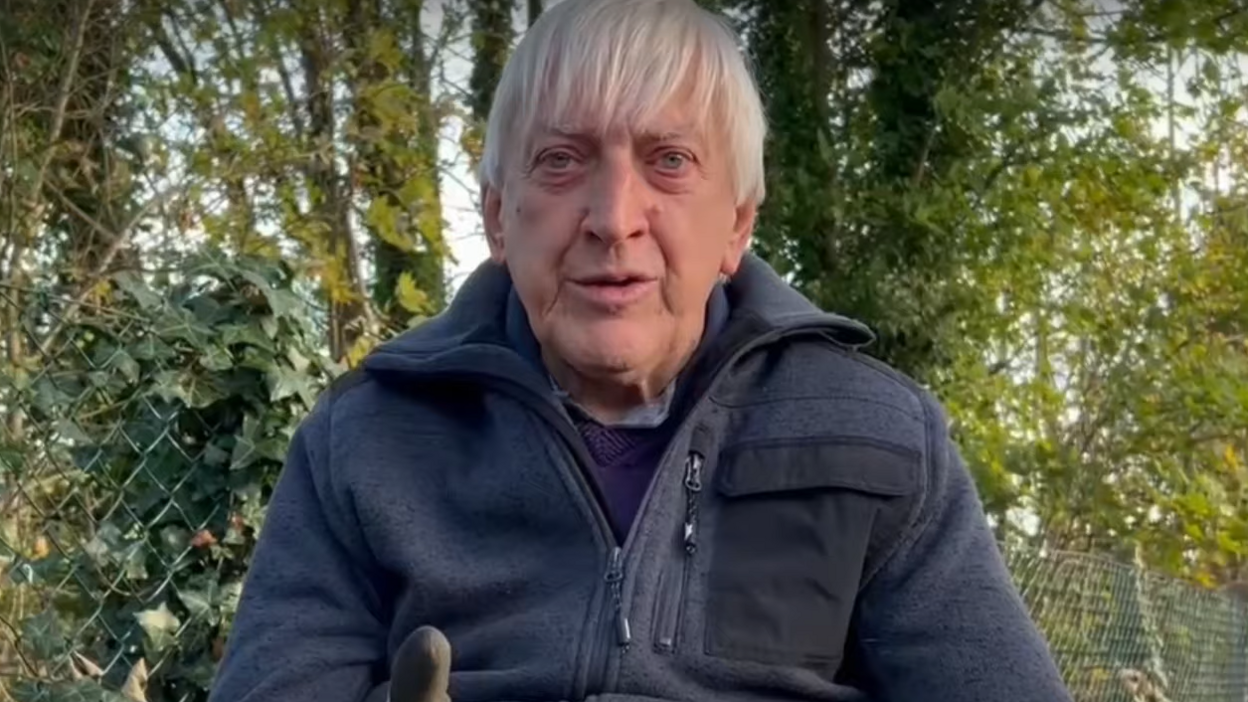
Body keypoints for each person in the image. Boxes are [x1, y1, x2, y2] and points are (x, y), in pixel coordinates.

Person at [206, 0, 1075, 700]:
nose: (613, 217)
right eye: (560, 160)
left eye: (668, 161)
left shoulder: (877, 438)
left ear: (737, 224)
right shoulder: (366, 441)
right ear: (498, 218)